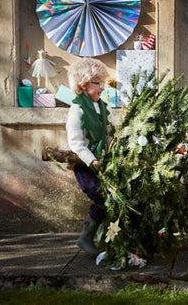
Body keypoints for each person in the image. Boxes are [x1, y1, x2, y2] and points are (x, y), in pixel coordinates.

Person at [66, 58, 110, 257]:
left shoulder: (101, 107)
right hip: (86, 164)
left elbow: (107, 132)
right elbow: (76, 142)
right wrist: (92, 161)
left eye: (102, 83)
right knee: (100, 194)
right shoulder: (78, 110)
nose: (102, 87)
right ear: (83, 85)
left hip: (102, 161)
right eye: (97, 83)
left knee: (109, 198)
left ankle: (102, 236)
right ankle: (85, 237)